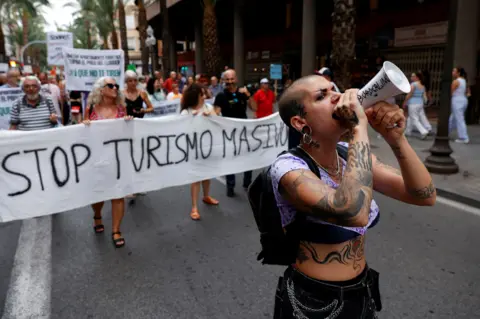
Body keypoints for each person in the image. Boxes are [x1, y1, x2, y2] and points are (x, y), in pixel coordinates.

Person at [272, 75, 436, 318]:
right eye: (322, 96)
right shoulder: (287, 169)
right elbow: (353, 212)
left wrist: (396, 139)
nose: (337, 96)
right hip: (312, 303)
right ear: (300, 122)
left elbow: (424, 195)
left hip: (361, 291)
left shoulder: (348, 154)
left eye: (333, 89)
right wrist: (359, 127)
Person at [84, 77, 133, 248]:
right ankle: (97, 215)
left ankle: (116, 230)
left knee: (118, 193)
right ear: (101, 89)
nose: (115, 88)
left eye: (116, 86)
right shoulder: (90, 109)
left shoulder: (121, 108)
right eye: (110, 85)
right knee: (99, 194)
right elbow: (82, 133)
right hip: (96, 159)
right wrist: (85, 124)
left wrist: (129, 123)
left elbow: (129, 133)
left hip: (118, 159)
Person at [180, 84, 219, 220]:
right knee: (196, 178)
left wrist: (211, 116)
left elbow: (218, 122)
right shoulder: (187, 112)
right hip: (194, 149)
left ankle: (206, 195)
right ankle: (194, 207)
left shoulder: (208, 108)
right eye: (201, 94)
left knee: (207, 174)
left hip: (208, 147)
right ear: (195, 96)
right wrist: (191, 119)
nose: (204, 97)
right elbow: (181, 129)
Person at [214, 69, 254, 197]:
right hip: (229, 133)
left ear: (236, 79)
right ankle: (230, 186)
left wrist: (248, 95)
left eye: (232, 79)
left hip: (244, 132)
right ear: (224, 81)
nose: (230, 82)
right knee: (230, 159)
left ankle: (247, 184)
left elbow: (254, 108)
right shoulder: (221, 96)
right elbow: (216, 113)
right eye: (227, 79)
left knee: (249, 158)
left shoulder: (243, 93)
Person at [402, 71, 431, 139]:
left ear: (417, 77)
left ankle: (423, 131)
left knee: (414, 118)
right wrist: (425, 102)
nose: (411, 77)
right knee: (411, 117)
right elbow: (424, 95)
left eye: (413, 76)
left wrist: (405, 102)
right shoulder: (422, 85)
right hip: (420, 103)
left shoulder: (413, 84)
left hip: (413, 103)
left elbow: (409, 94)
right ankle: (408, 131)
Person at [449, 67, 470, 143]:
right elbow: (468, 92)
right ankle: (445, 132)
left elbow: (450, 92)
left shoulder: (456, 81)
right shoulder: (464, 81)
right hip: (463, 99)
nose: (453, 72)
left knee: (459, 119)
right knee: (453, 118)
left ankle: (463, 137)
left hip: (457, 100)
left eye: (454, 71)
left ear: (458, 73)